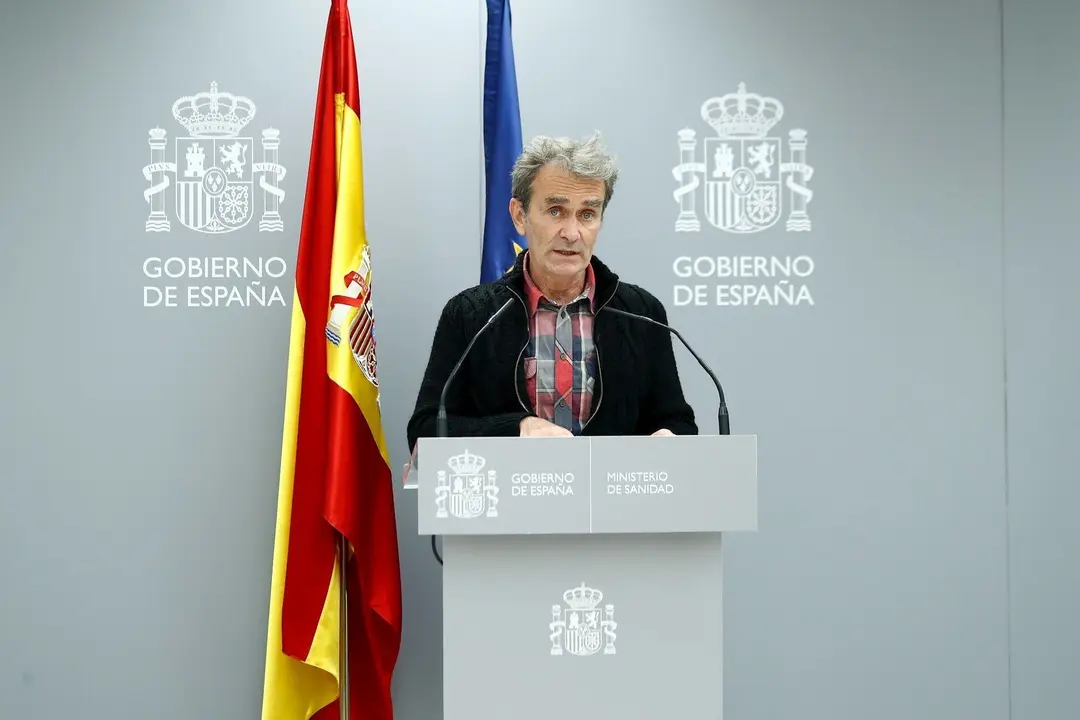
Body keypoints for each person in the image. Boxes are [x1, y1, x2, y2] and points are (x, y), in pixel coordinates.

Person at [406, 132, 697, 451]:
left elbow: (677, 421)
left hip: (611, 498)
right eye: (556, 210)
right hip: (509, 498)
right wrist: (517, 428)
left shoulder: (641, 313)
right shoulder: (472, 315)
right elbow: (427, 429)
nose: (572, 233)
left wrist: (670, 438)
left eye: (587, 214)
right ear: (520, 216)